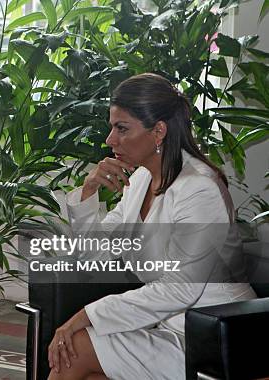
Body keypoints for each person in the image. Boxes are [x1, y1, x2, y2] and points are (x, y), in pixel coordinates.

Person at [46, 73, 257, 380]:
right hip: (169, 329)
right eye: (111, 127)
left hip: (218, 339)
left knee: (74, 350)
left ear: (158, 131)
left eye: (122, 128)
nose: (109, 140)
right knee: (85, 370)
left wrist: (85, 316)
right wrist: (88, 193)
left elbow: (179, 289)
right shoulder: (141, 179)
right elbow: (96, 255)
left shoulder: (200, 189)